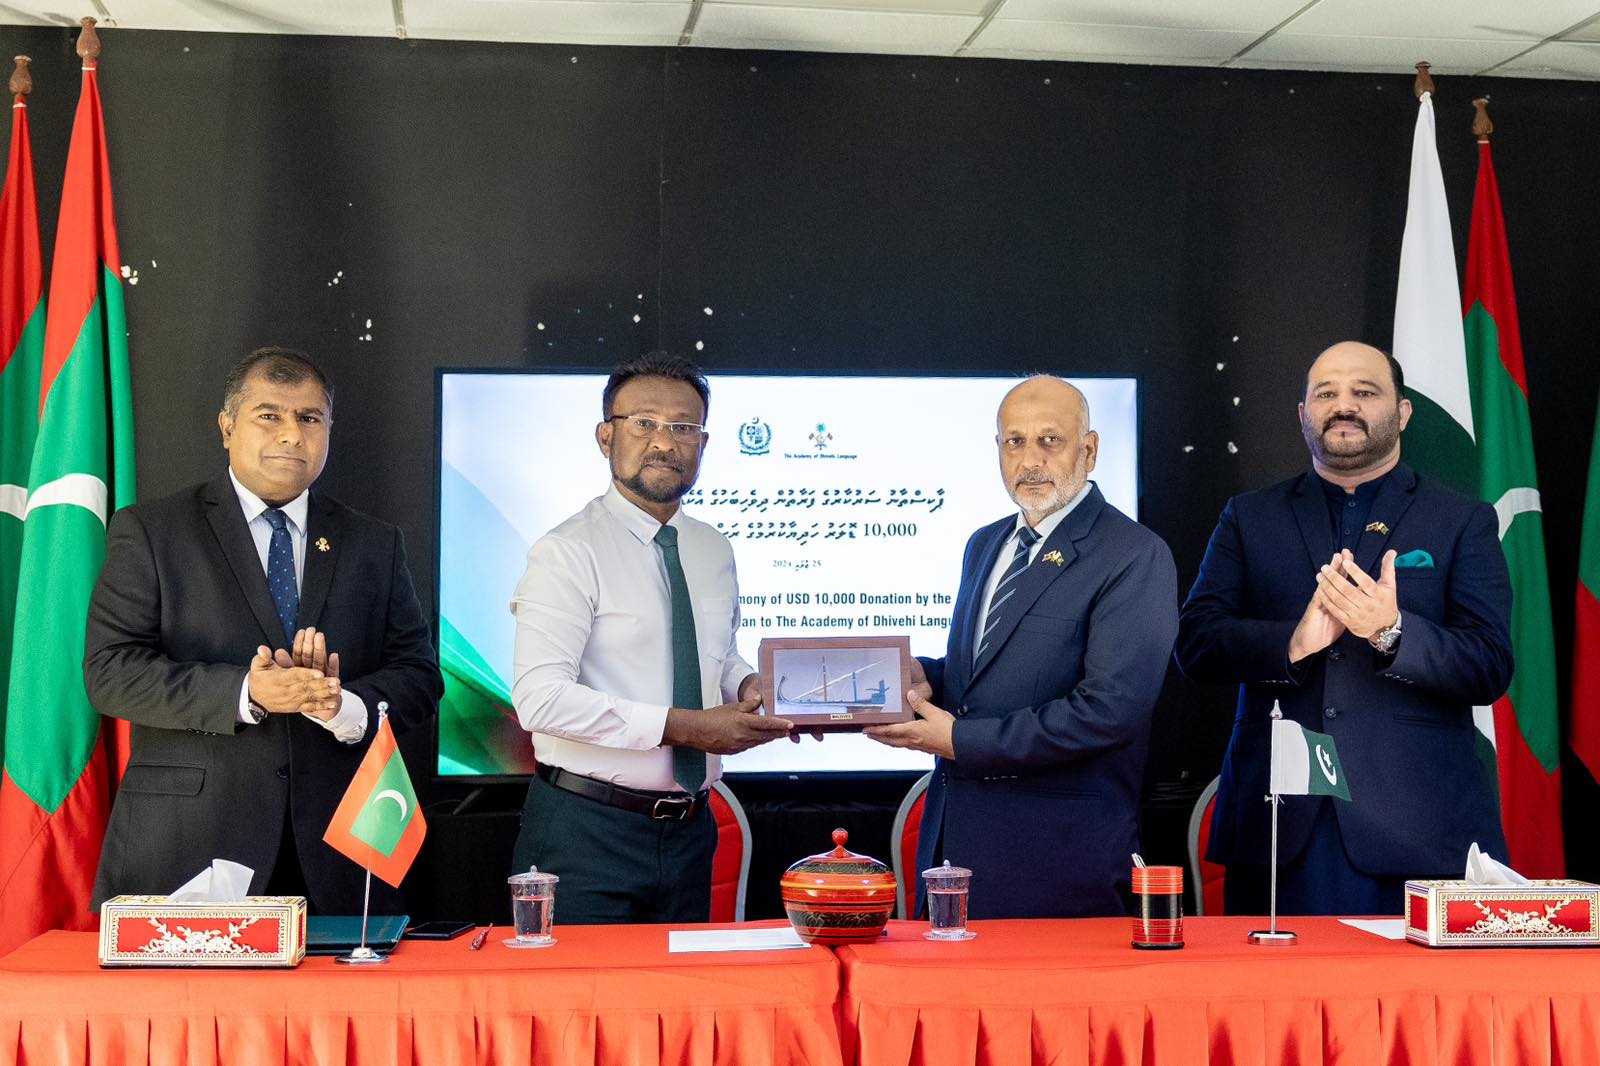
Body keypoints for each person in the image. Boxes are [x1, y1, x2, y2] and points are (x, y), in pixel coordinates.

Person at [86, 347, 442, 914]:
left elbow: (419, 677)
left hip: (342, 851)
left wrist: (342, 707)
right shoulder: (152, 531)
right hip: (192, 847)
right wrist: (248, 692)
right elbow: (110, 673)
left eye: (309, 418)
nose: (291, 435)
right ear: (227, 427)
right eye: (269, 415)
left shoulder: (374, 543)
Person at [1176, 341, 1512, 916]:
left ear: (1402, 412)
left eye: (1365, 391)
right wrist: (1292, 643)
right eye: (1326, 393)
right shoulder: (1248, 517)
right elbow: (1196, 646)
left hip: (1419, 831)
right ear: (1303, 413)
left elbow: (1489, 665)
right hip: (1280, 828)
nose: (1344, 405)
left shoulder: (1462, 520)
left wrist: (1392, 632)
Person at [866, 375, 1177, 919]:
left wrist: (961, 739)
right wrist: (926, 678)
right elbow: (987, 673)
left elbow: (1110, 710)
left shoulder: (1134, 554)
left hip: (1058, 861)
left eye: (1049, 440)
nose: (1030, 459)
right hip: (953, 847)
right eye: (1015, 441)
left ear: (1090, 450)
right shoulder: (985, 543)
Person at [508, 351, 792, 923]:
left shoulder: (712, 547)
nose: (664, 442)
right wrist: (686, 727)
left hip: (690, 831)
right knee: (586, 986)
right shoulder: (567, 551)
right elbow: (540, 700)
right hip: (585, 830)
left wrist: (748, 685)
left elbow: (717, 654)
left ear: (703, 444)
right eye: (644, 423)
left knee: (683, 984)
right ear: (605, 437)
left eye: (683, 428)